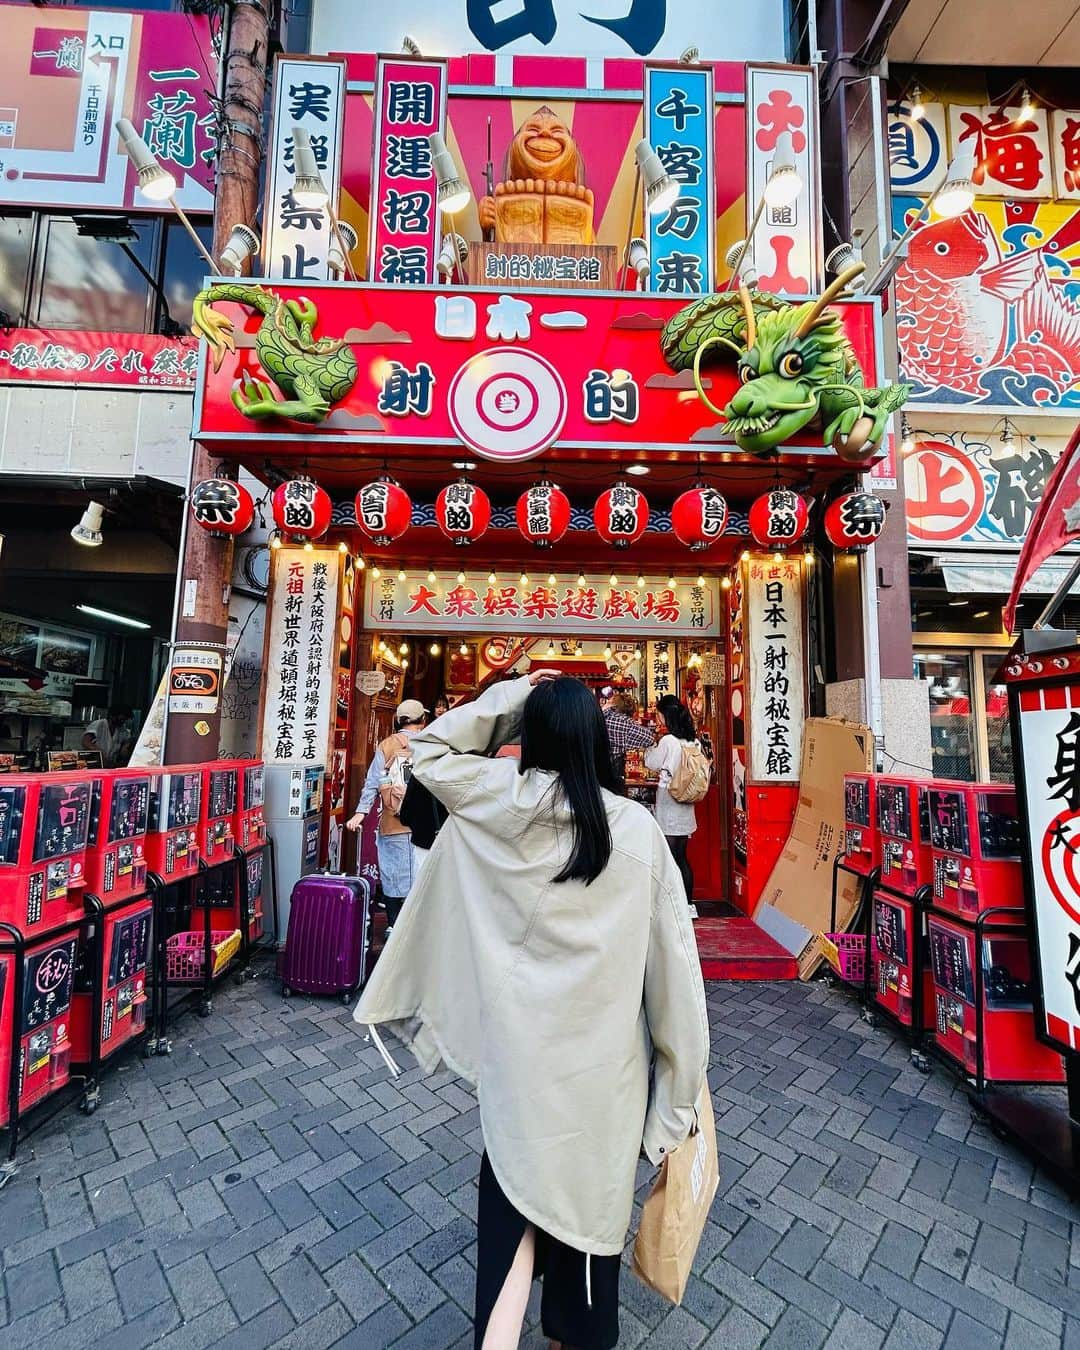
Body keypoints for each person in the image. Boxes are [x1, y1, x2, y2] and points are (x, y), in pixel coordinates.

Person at [354, 672, 709, 1350]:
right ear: (597, 741)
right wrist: (676, 1101)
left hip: (518, 1073)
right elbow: (676, 985)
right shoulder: (633, 831)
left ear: (529, 734)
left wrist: (515, 695)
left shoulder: (497, 804)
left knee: (513, 1212)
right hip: (603, 1084)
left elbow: (424, 752)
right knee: (580, 1244)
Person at [346, 699, 427, 929]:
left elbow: (372, 783)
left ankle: (393, 927)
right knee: (422, 879)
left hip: (393, 824)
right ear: (423, 720)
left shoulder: (386, 745)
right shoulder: (430, 743)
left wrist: (360, 813)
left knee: (392, 877)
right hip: (424, 826)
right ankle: (416, 930)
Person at [646, 694, 701, 917]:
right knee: (682, 857)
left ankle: (671, 906)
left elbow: (652, 763)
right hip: (686, 803)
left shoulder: (668, 741)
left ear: (665, 715)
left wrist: (650, 747)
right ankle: (689, 905)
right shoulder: (692, 740)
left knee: (668, 857)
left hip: (669, 802)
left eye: (658, 714)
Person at [599, 684, 654, 780]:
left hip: (592, 764)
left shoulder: (599, 715)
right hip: (613, 768)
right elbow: (649, 738)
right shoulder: (624, 722)